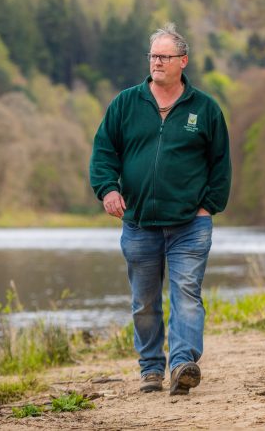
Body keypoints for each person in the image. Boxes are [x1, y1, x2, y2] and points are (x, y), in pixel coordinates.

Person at [89, 22, 231, 396]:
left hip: (190, 224)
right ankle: (151, 368)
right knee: (144, 303)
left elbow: (221, 165)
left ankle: (182, 364)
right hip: (138, 223)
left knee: (186, 293)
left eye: (165, 57)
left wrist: (208, 207)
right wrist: (107, 190)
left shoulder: (205, 109)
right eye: (153, 56)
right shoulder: (125, 104)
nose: (157, 62)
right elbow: (104, 152)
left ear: (183, 61)